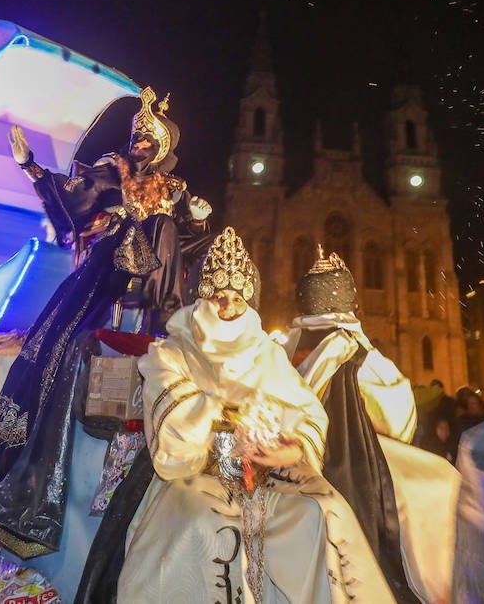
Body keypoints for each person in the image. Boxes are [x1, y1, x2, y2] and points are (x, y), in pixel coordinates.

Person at [0, 86, 213, 556]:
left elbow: (187, 245)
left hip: (155, 287)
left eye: (151, 139)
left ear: (165, 147)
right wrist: (32, 167)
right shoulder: (115, 169)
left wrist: (201, 224)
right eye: (138, 137)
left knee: (164, 230)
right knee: (62, 350)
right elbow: (75, 197)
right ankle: (30, 494)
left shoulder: (175, 191)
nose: (141, 144)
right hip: (104, 276)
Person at [118, 228, 394, 603]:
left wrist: (292, 449)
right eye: (219, 298)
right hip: (196, 477)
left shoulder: (265, 353)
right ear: (203, 299)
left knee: (316, 515)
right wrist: (216, 403)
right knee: (200, 525)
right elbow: (170, 427)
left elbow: (306, 411)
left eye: (237, 299)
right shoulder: (172, 353)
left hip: (267, 480)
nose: (229, 309)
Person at [291, 248, 458, 603]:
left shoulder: (279, 348)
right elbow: (399, 419)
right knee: (439, 483)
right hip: (351, 473)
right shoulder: (361, 355)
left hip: (292, 467)